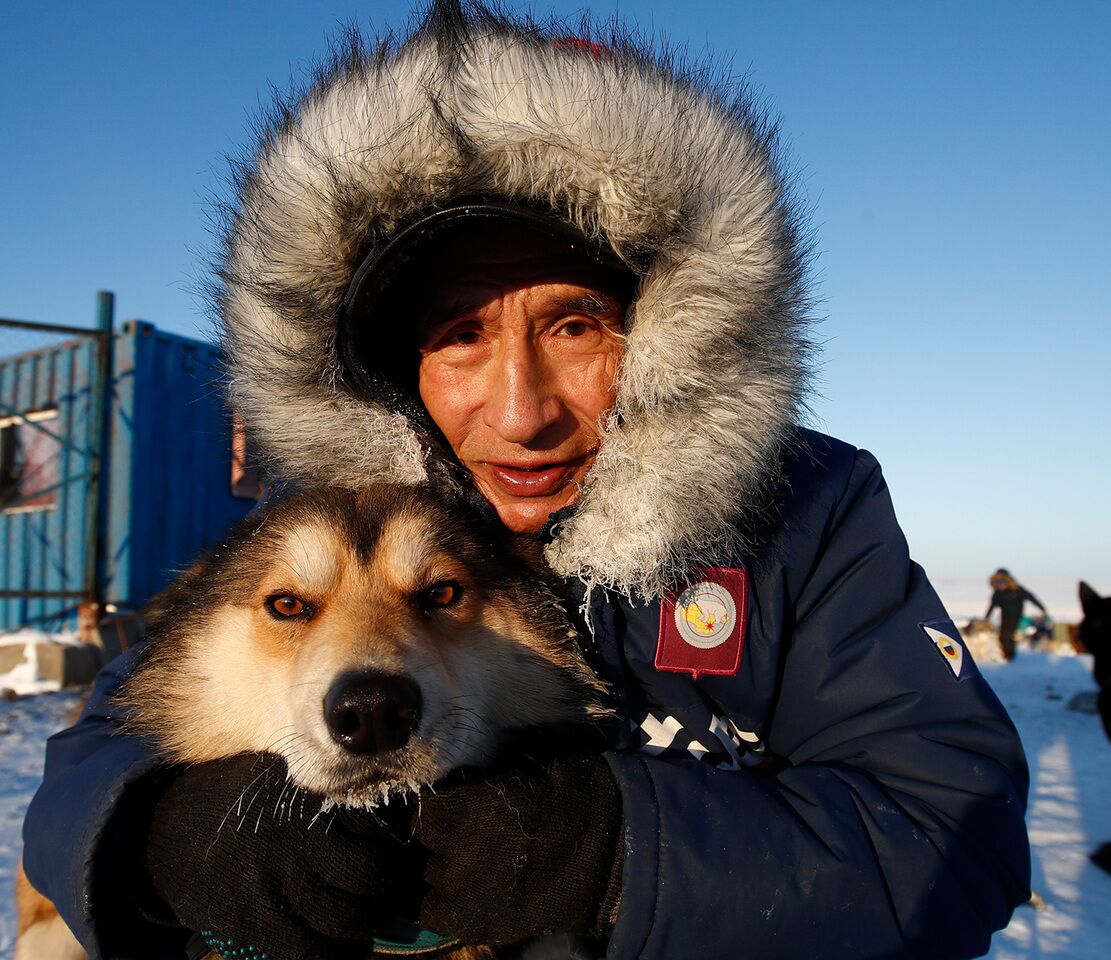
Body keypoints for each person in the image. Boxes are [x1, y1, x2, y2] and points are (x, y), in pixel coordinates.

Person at [23, 4, 1032, 959]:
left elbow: (952, 839)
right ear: (395, 370)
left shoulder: (806, 513)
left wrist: (606, 850)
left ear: (673, 328)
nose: (521, 413)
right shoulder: (343, 517)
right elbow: (100, 753)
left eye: (573, 325)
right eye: (459, 335)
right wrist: (164, 837)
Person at [984, 568, 1048, 660]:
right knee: (1002, 636)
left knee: (1010, 634)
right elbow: (992, 606)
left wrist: (1042, 608)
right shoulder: (998, 593)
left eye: (1003, 581)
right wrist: (986, 618)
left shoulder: (1017, 590)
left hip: (1017, 616)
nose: (1001, 584)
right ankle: (1006, 654)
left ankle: (1010, 655)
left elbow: (1031, 598)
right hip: (1005, 616)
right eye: (998, 582)